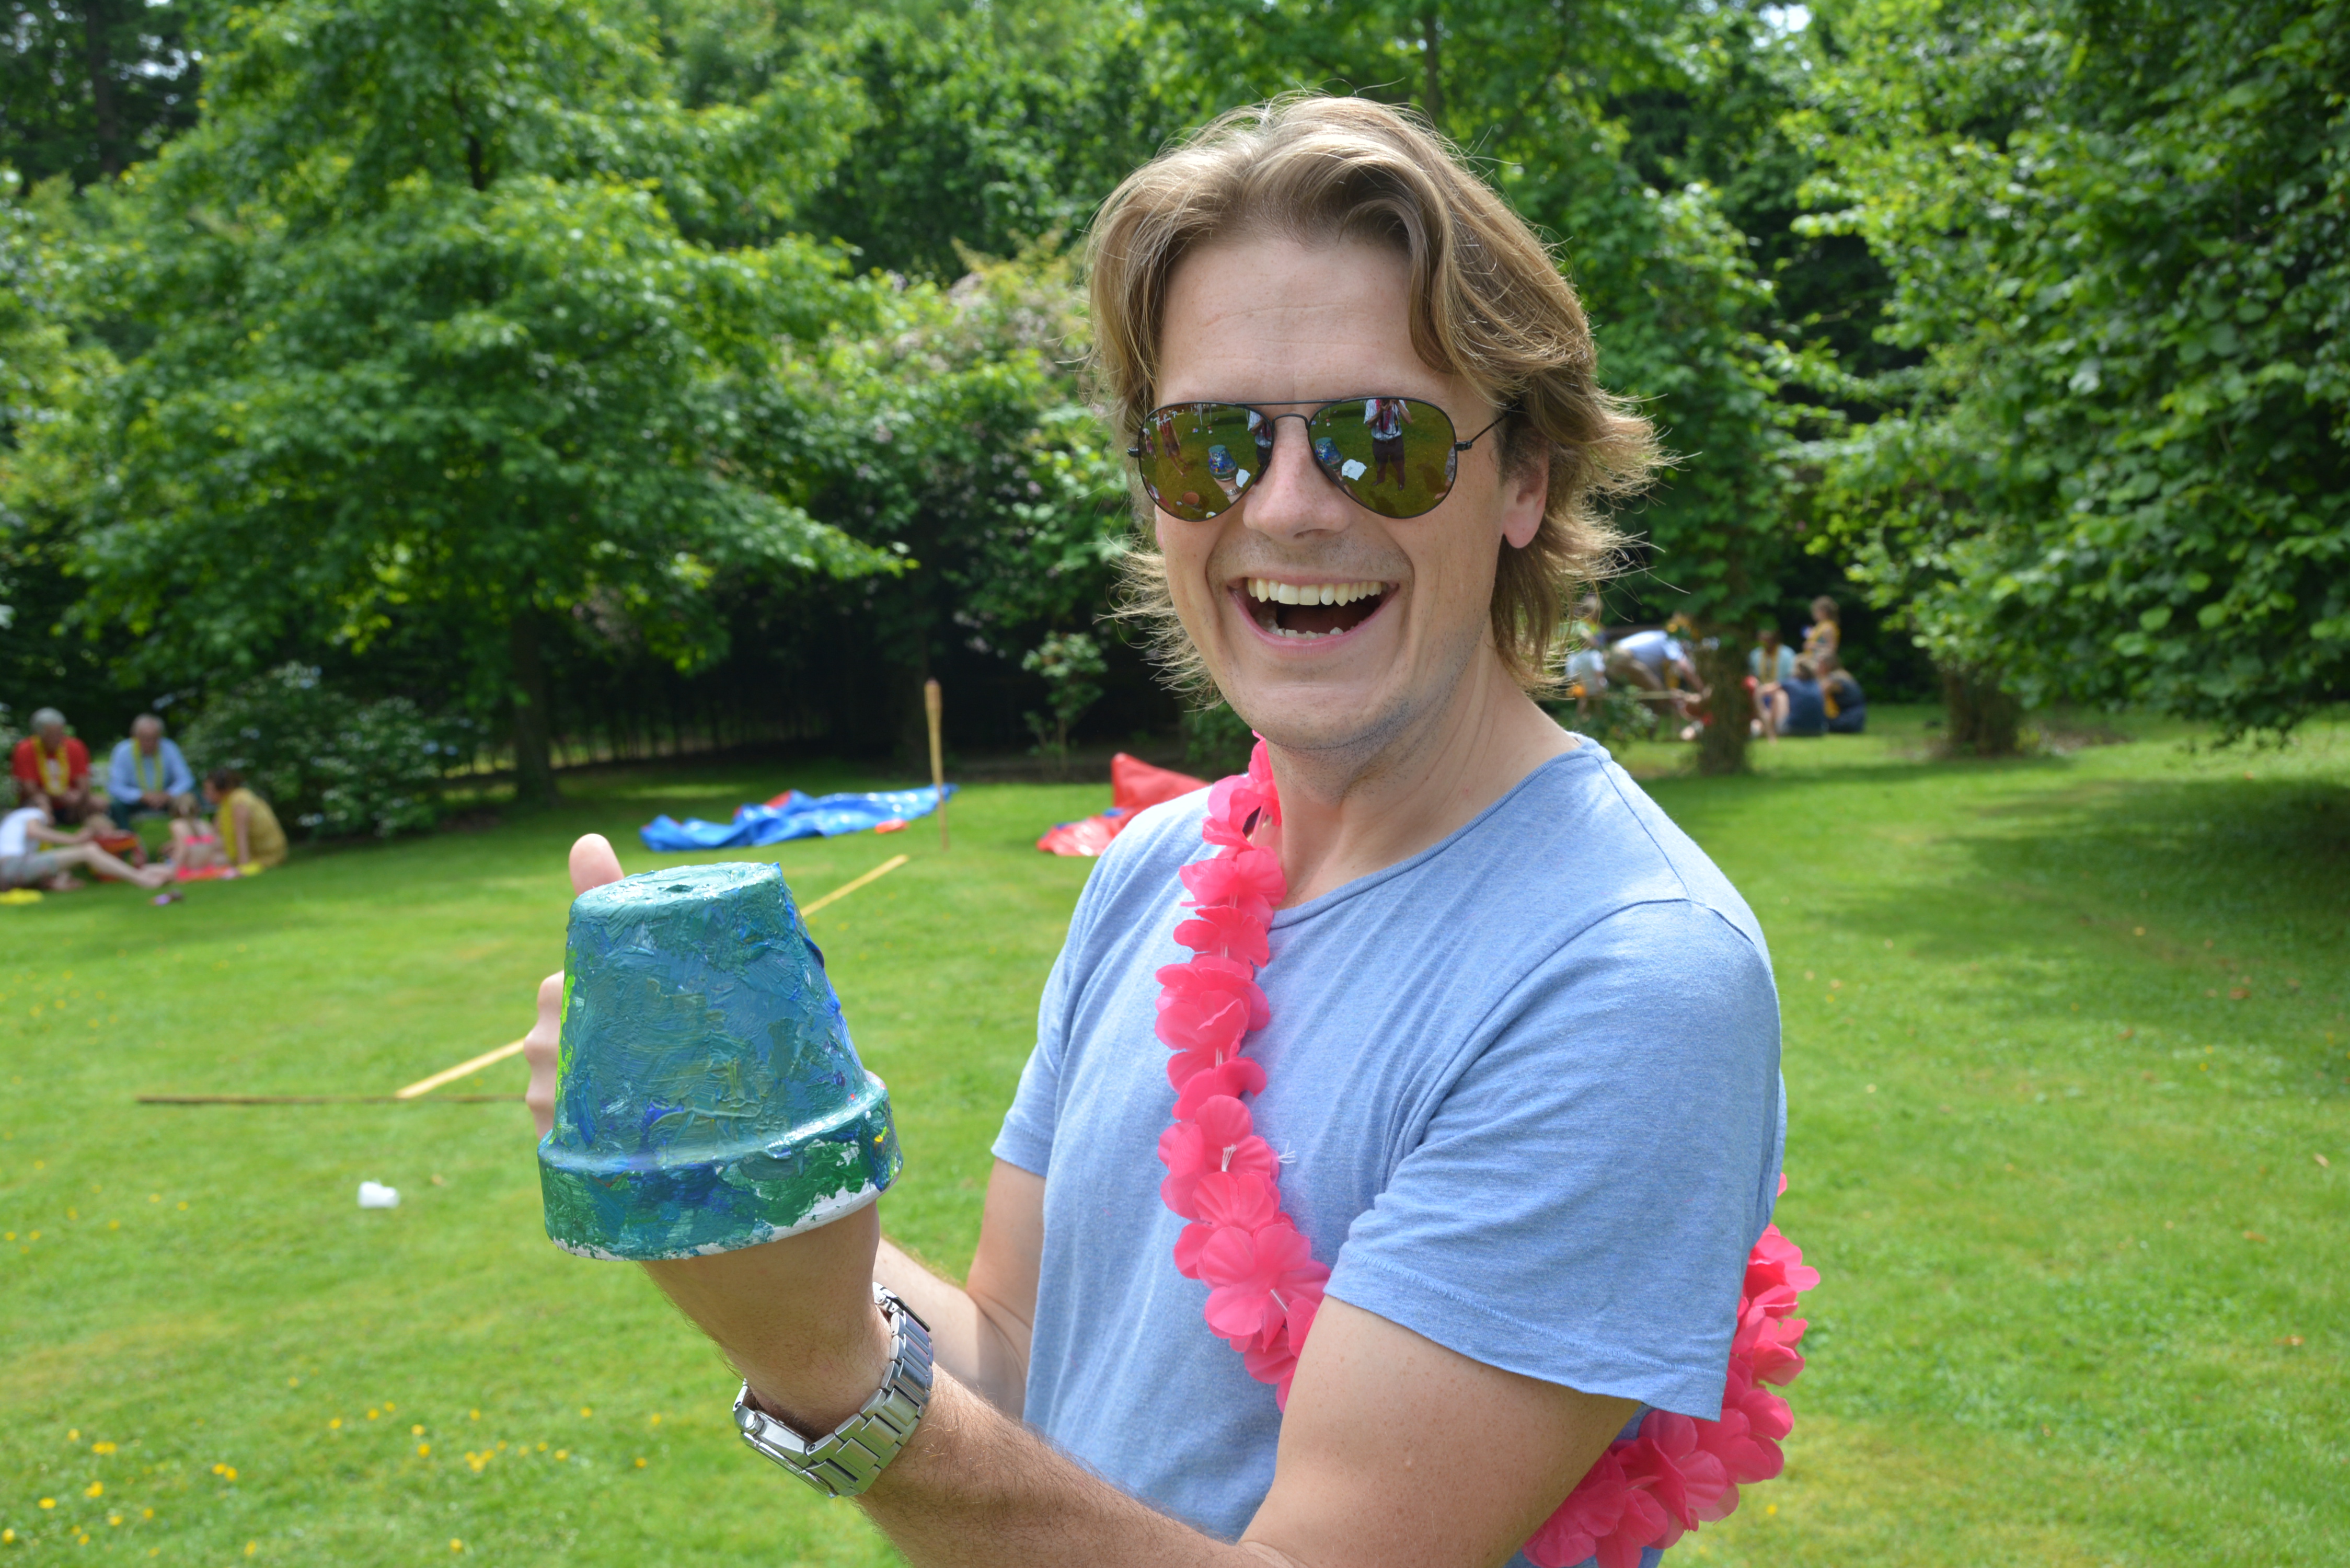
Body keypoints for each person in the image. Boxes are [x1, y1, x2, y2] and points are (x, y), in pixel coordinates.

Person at [521, 96, 1788, 1568]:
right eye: (1210, 445)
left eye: (1380, 440)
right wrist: (736, 1197)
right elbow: (1016, 1353)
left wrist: (832, 1375)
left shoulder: (1627, 975)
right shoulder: (1155, 871)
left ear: (1524, 479)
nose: (1287, 507)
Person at [0, 802, 174, 892]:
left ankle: (145, 874)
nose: (51, 814)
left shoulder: (13, 825)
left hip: (9, 873)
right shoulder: (32, 813)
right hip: (11, 867)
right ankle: (141, 879)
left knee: (71, 862)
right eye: (49, 810)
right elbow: (33, 831)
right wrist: (73, 840)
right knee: (88, 851)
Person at [106, 714, 198, 828]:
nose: (149, 743)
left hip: (166, 798)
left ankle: (188, 834)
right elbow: (115, 787)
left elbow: (186, 779)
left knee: (188, 800)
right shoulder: (123, 751)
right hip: (136, 801)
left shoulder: (169, 748)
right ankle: (127, 837)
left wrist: (168, 794)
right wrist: (140, 796)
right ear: (135, 736)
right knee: (117, 806)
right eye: (145, 738)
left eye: (154, 738)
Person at [10, 708, 92, 822]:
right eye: (52, 735)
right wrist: (59, 796)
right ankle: (47, 825)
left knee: (100, 803)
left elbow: (84, 780)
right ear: (39, 734)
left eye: (60, 734)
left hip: (72, 802)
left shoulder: (75, 746)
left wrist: (79, 795)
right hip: (40, 801)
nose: (58, 739)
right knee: (40, 800)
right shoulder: (24, 749)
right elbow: (30, 789)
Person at [203, 768, 288, 869]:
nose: (206, 794)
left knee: (212, 861)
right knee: (210, 858)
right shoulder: (227, 803)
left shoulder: (239, 802)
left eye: (209, 790)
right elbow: (213, 834)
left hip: (266, 856)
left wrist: (243, 866)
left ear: (222, 788)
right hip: (254, 854)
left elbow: (241, 837)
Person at [1765, 657, 1828, 738]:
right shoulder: (1818, 685)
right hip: (1819, 730)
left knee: (1780, 695)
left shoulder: (1791, 683)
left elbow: (1765, 691)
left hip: (1793, 729)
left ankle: (1770, 730)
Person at [1823, 666, 1867, 734]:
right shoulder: (1844, 677)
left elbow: (1821, 692)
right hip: (1858, 720)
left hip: (1847, 720)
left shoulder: (1836, 682)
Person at [1800, 596, 1840, 671]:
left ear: (1824, 611)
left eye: (1816, 611)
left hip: (1822, 665)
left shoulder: (1828, 628)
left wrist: (1814, 646)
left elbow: (1832, 649)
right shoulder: (1820, 626)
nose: (1813, 614)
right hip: (1814, 661)